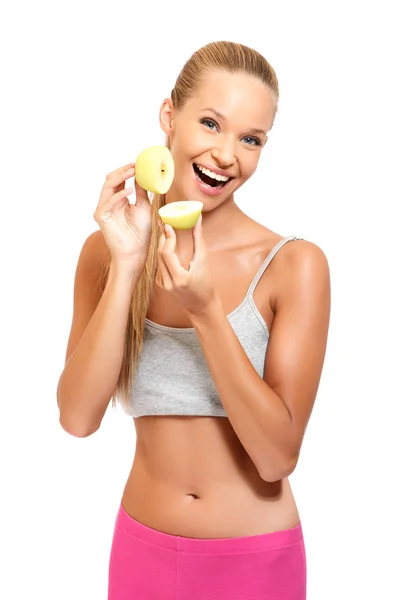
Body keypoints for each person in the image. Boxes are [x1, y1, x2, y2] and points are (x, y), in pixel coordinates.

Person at [57, 40, 331, 600]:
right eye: (211, 123)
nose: (227, 154)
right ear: (169, 116)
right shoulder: (105, 253)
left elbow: (277, 457)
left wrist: (207, 311)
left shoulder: (294, 266)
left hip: (255, 562)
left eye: (250, 139)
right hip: (142, 554)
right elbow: (78, 418)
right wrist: (129, 266)